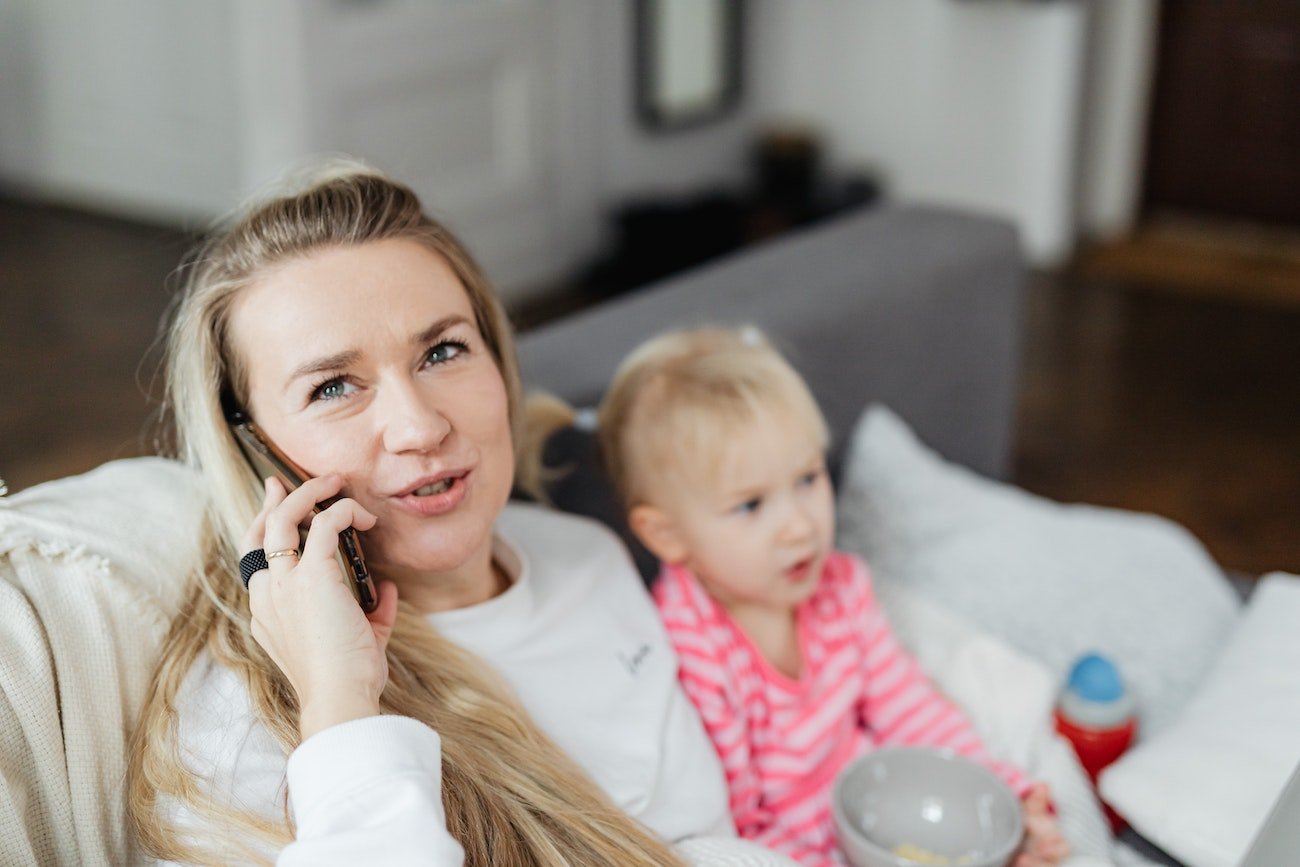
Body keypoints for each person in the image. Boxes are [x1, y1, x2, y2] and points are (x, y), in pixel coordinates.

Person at [125, 161, 794, 866]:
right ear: (254, 446)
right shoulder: (240, 733)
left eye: (443, 350)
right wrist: (340, 705)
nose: (418, 426)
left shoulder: (584, 550)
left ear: (500, 364)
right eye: (332, 388)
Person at [595, 327, 1070, 867]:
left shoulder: (842, 588)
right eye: (751, 505)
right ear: (668, 536)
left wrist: (996, 792)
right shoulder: (691, 653)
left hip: (878, 813)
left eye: (807, 478)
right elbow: (732, 827)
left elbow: (910, 708)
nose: (800, 526)